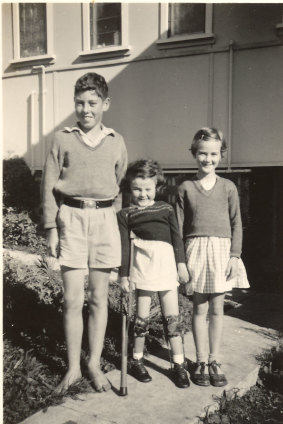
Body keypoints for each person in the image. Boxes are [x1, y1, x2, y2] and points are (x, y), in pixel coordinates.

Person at [41, 72, 127, 393]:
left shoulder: (116, 141)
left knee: (99, 298)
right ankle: (74, 368)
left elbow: (119, 185)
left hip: (104, 219)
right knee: (72, 299)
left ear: (105, 103)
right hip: (71, 220)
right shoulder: (62, 139)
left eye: (92, 102)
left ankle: (94, 362)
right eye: (80, 102)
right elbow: (48, 185)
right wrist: (51, 227)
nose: (86, 109)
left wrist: (111, 220)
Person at [176, 127, 249, 387]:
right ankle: (200, 360)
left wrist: (234, 256)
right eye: (202, 154)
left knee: (218, 308)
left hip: (221, 252)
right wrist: (180, 261)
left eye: (214, 154)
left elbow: (237, 223)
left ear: (222, 155)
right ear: (194, 154)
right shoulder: (185, 188)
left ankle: (215, 359)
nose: (208, 159)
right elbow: (178, 227)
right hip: (195, 250)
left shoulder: (229, 187)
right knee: (199, 307)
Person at [117, 159, 190, 389]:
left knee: (172, 320)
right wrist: (124, 275)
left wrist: (181, 264)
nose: (142, 194)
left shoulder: (165, 209)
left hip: (167, 267)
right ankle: (137, 360)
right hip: (143, 268)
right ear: (130, 188)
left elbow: (177, 237)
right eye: (137, 189)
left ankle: (178, 365)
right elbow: (125, 248)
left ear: (156, 187)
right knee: (141, 319)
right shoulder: (125, 215)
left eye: (147, 189)